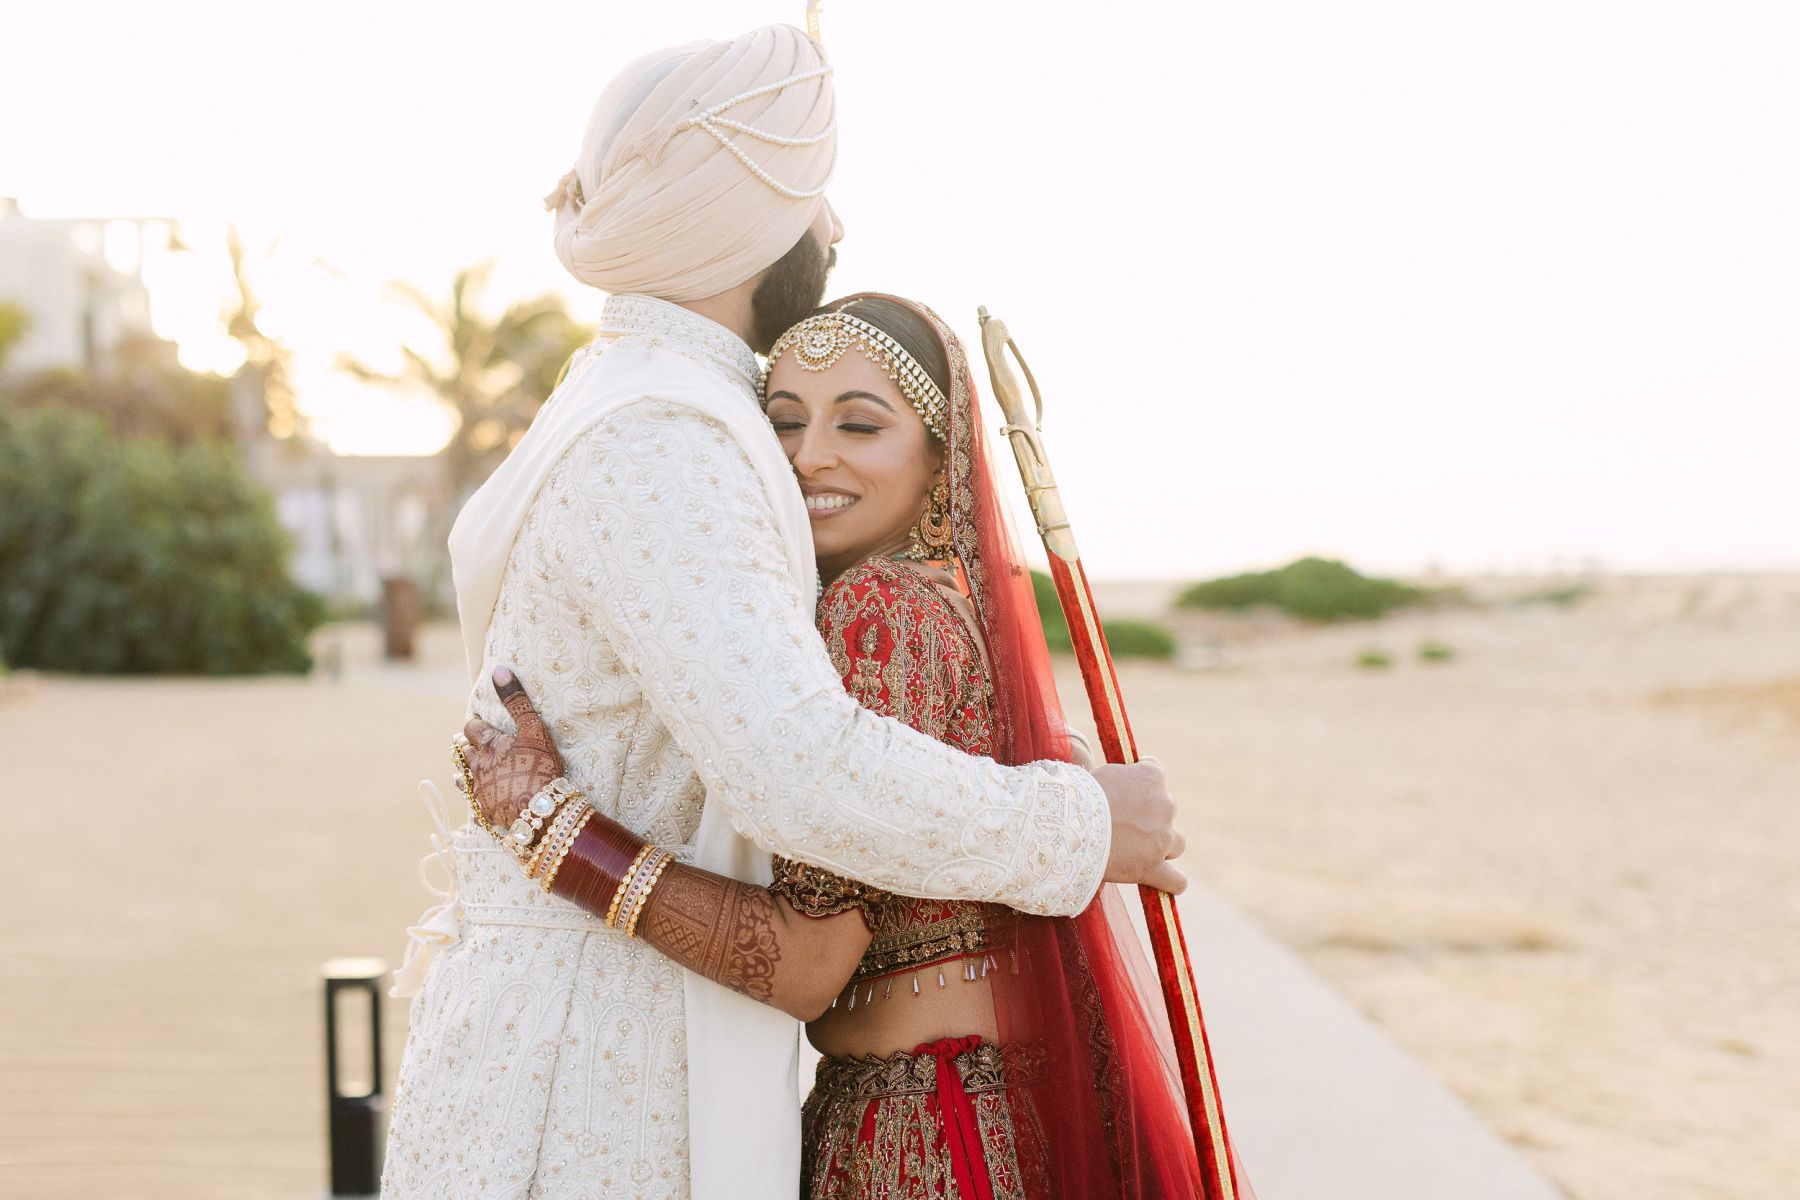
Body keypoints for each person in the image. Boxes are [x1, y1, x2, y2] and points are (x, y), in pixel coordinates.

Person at [381, 25, 1187, 1200]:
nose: (838, 227)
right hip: (589, 1076)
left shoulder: (649, 404)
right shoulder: (667, 435)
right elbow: (796, 767)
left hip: (604, 1038)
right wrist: (1072, 827)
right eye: (816, 197)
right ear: (754, 218)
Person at [461, 294, 1220, 1197]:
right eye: (781, 422)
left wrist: (553, 830)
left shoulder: (878, 615)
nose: (809, 454)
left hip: (925, 1135)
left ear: (943, 461)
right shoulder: (949, 606)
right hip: (977, 1114)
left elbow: (802, 964)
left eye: (859, 424)